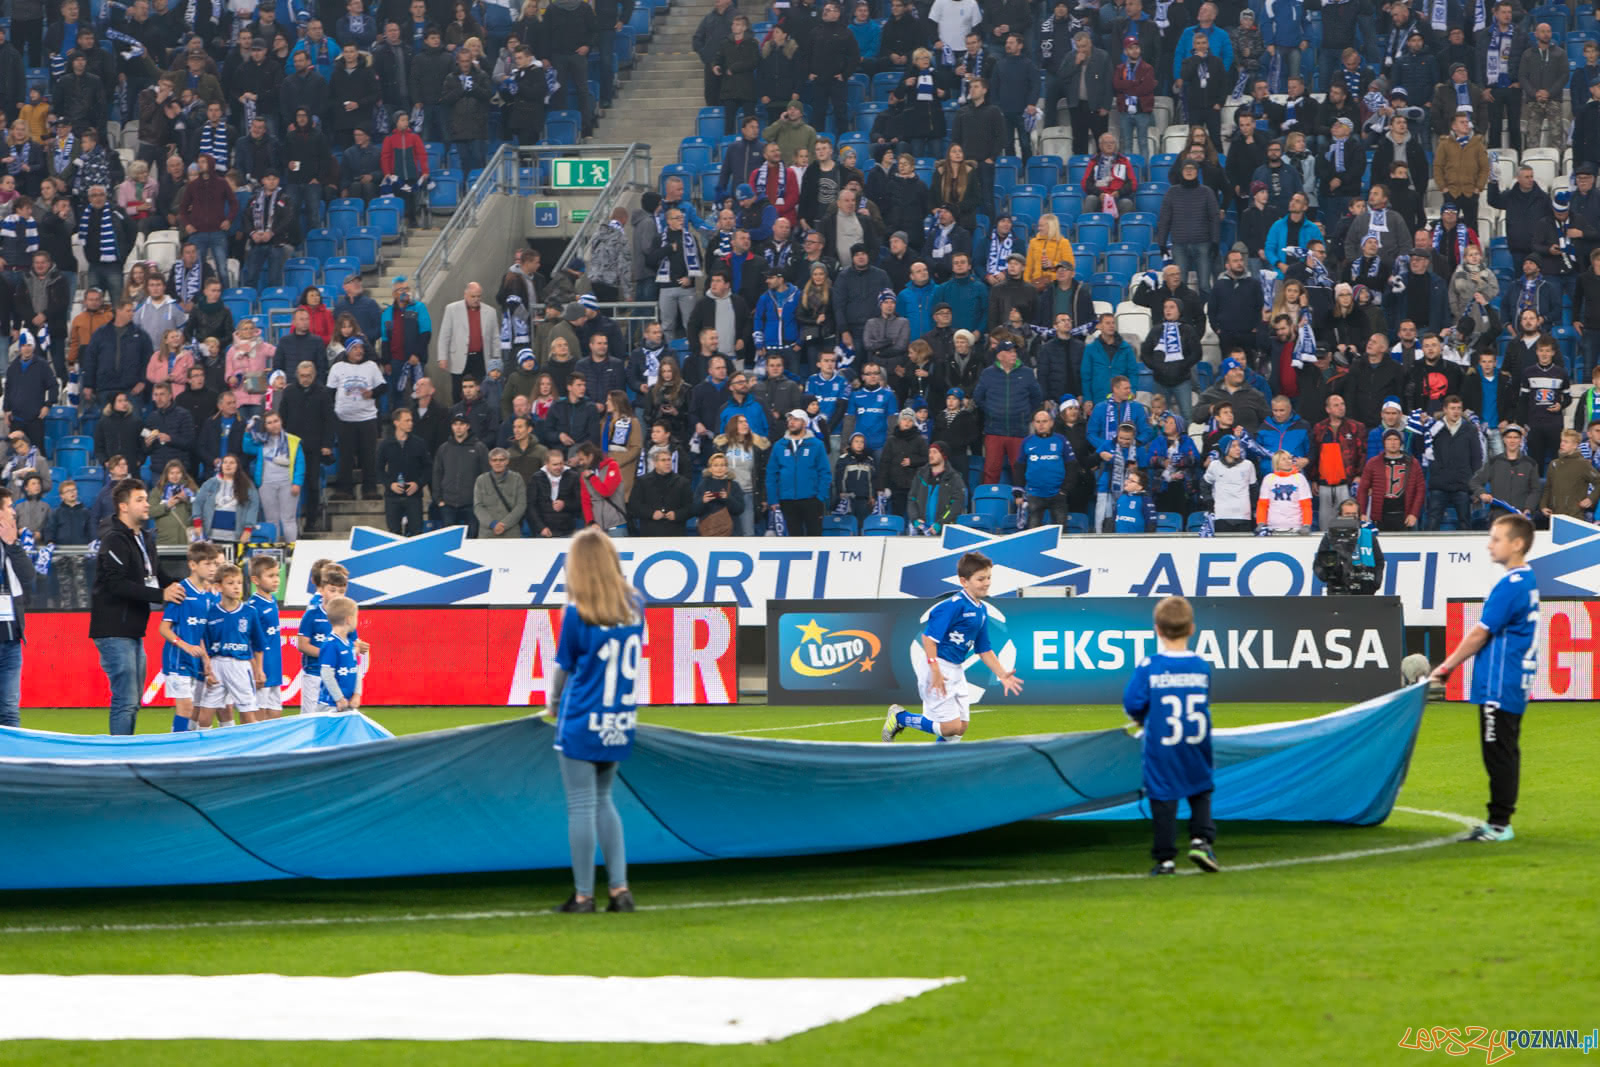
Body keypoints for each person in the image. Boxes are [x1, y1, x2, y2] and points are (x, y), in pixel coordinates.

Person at [543, 527, 640, 913]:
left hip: (582, 718)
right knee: (605, 801)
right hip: (619, 719)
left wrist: (552, 704)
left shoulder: (575, 613)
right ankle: (620, 890)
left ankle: (584, 895)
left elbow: (563, 669)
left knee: (580, 806)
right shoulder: (636, 607)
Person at [1428, 514, 1538, 843]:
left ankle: (1499, 825)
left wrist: (1445, 667)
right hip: (1513, 681)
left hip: (1500, 683)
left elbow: (1479, 634)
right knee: (1504, 751)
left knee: (1499, 753)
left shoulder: (1511, 585)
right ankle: (1500, 822)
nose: (1490, 545)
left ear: (1517, 544)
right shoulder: (1527, 580)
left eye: (1496, 538)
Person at [882, 550, 1023, 743]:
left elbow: (984, 649)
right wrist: (935, 670)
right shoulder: (952, 606)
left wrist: (1001, 674)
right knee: (950, 728)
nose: (987, 582)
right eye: (981, 579)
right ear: (964, 581)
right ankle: (900, 718)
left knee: (961, 727)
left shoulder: (981, 609)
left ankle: (938, 765)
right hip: (937, 667)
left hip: (955, 669)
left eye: (989, 577)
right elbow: (928, 639)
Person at [1123, 595, 1219, 876]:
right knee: (1200, 787)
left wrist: (1143, 720)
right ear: (1192, 629)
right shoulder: (1201, 665)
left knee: (1163, 796)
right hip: (1196, 739)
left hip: (1162, 742)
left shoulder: (1149, 665)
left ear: (1157, 629)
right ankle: (1201, 840)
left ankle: (1165, 859)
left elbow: (1132, 703)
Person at [91, 478, 188, 734]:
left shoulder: (144, 537)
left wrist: (189, 586)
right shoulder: (113, 539)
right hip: (113, 629)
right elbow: (116, 585)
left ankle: (125, 753)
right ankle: (120, 757)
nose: (147, 504)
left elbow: (159, 574)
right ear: (123, 506)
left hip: (133, 629)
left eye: (146, 498)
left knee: (133, 701)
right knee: (125, 700)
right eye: (140, 499)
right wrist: (161, 594)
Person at [158, 541, 220, 733]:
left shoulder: (208, 595)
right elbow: (164, 628)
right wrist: (184, 646)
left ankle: (179, 742)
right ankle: (176, 749)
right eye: (207, 564)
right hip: (178, 658)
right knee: (186, 707)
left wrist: (205, 658)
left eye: (215, 564)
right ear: (193, 565)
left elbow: (200, 631)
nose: (212, 569)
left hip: (196, 659)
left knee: (194, 709)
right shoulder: (181, 591)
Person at [197, 562, 267, 727]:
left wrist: (259, 670)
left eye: (239, 583)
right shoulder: (211, 612)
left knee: (248, 714)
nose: (236, 587)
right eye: (230, 583)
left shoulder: (250, 612)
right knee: (205, 716)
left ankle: (251, 751)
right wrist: (207, 666)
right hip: (217, 665)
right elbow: (203, 641)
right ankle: (204, 750)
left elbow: (258, 645)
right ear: (219, 587)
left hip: (240, 666)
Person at [765, 408, 830, 535]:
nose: (791, 422)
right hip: (787, 500)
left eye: (796, 419)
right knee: (793, 540)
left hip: (811, 499)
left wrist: (820, 497)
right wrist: (773, 499)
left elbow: (825, 473)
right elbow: (771, 474)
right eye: (790, 419)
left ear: (805, 423)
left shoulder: (817, 445)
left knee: (815, 537)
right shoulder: (779, 445)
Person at [379, 407, 429, 536]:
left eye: (411, 420)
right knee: (393, 533)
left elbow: (428, 468)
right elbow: (378, 470)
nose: (410, 423)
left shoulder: (419, 443)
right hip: (392, 497)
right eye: (406, 420)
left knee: (416, 532)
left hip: (414, 496)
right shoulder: (385, 445)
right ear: (396, 422)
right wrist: (390, 484)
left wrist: (418, 484)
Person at [248, 555, 285, 721]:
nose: (276, 580)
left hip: (275, 663)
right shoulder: (253, 607)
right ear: (255, 580)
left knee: (276, 707)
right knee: (259, 709)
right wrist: (257, 669)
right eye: (270, 576)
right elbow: (250, 641)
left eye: (277, 575)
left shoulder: (273, 600)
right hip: (261, 666)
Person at [317, 595, 364, 714]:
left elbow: (356, 670)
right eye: (356, 617)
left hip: (348, 704)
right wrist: (339, 698)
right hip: (330, 706)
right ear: (348, 620)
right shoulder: (331, 644)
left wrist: (357, 694)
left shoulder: (349, 644)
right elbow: (326, 674)